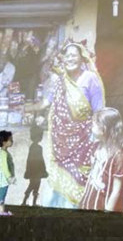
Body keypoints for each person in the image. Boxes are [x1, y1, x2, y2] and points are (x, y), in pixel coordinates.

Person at [45, 41, 105, 208]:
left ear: (82, 58)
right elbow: (48, 102)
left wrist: (97, 142)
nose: (69, 59)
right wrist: (27, 106)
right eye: (66, 55)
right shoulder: (60, 81)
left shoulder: (90, 78)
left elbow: (99, 111)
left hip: (84, 143)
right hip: (61, 145)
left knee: (80, 182)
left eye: (73, 55)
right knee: (57, 185)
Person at [80, 107, 123, 212]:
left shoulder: (118, 156)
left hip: (104, 205)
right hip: (90, 200)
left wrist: (108, 211)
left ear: (105, 128)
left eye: (94, 124)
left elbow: (116, 190)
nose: (91, 127)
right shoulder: (96, 147)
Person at [0, 130, 16, 216]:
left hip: (2, 176)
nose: (12, 141)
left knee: (1, 192)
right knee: (2, 193)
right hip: (4, 177)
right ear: (4, 142)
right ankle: (1, 211)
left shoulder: (3, 152)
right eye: (10, 140)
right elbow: (4, 166)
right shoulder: (4, 153)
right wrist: (9, 177)